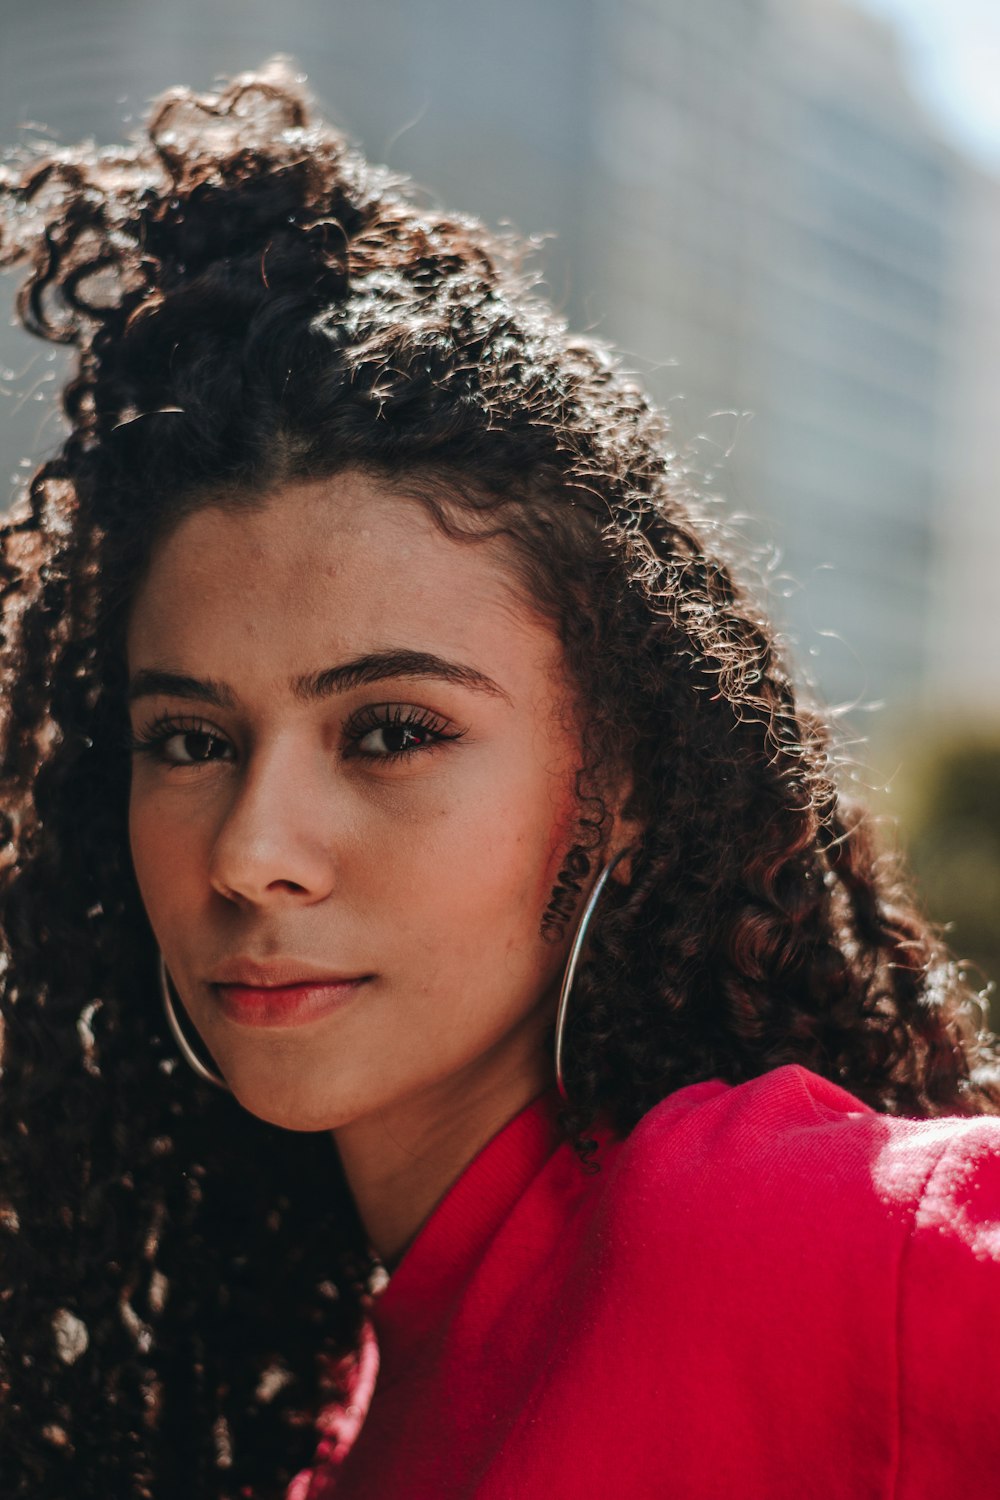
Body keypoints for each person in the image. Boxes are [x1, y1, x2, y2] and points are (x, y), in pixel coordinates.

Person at [1, 60, 998, 1500]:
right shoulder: (321, 1436)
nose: (250, 854)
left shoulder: (817, 1242)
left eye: (392, 730)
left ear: (624, 782)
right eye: (193, 742)